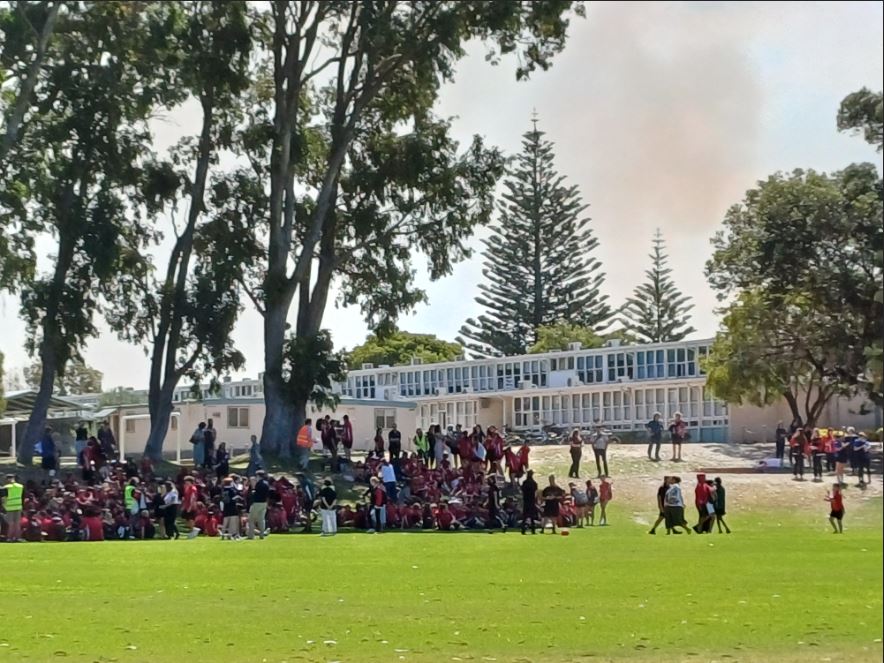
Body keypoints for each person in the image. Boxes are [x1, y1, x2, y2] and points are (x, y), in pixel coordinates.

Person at [248, 470, 270, 540]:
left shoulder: (258, 484)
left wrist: (253, 491)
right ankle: (261, 535)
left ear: (258, 476)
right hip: (264, 503)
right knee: (261, 519)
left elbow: (255, 493)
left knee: (251, 519)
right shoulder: (266, 483)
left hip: (257, 502)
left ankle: (251, 535)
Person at [2, 474, 23, 542]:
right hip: (18, 506)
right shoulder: (20, 486)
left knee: (10, 524)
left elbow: (3, 498)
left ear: (7, 479)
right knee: (17, 524)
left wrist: (4, 506)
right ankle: (17, 538)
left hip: (9, 507)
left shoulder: (6, 487)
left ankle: (9, 538)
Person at [520, 470, 539, 534]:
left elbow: (522, 490)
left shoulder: (524, 482)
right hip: (532, 501)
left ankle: (523, 530)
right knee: (532, 516)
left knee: (524, 516)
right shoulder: (534, 483)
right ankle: (533, 530)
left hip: (526, 500)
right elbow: (536, 491)